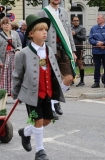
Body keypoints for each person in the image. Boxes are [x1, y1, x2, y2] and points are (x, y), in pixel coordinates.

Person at [12, 15, 65, 160]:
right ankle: (40, 151)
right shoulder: (23, 54)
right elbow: (17, 75)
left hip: (47, 92)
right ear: (30, 34)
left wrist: (59, 87)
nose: (44, 32)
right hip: (31, 94)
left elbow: (53, 70)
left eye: (45, 29)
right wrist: (15, 92)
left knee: (47, 120)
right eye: (40, 29)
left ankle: (25, 132)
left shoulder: (48, 50)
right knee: (38, 121)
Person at [37, 0, 77, 119]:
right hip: (48, 49)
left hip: (64, 50)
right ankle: (51, 107)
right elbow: (37, 32)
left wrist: (73, 50)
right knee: (49, 78)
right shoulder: (42, 13)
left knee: (69, 77)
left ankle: (55, 101)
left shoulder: (64, 12)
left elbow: (68, 31)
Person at [0, 17, 22, 95]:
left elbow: (20, 45)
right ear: (2, 25)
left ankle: (13, 92)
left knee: (14, 75)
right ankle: (3, 92)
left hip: (14, 57)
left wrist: (18, 50)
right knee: (4, 76)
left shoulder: (15, 33)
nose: (7, 25)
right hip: (4, 57)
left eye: (8, 23)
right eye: (5, 24)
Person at [89, 14, 105, 89]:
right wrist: (98, 43)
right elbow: (90, 39)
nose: (97, 19)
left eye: (98, 18)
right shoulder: (93, 28)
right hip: (96, 51)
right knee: (97, 67)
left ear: (103, 19)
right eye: (97, 18)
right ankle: (96, 82)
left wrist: (104, 43)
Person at [71, 16, 86, 87]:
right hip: (71, 48)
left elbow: (84, 38)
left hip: (79, 48)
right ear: (72, 21)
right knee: (70, 63)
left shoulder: (82, 28)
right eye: (75, 20)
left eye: (77, 20)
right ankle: (71, 79)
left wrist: (76, 34)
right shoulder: (70, 28)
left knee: (79, 63)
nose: (76, 22)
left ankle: (82, 81)